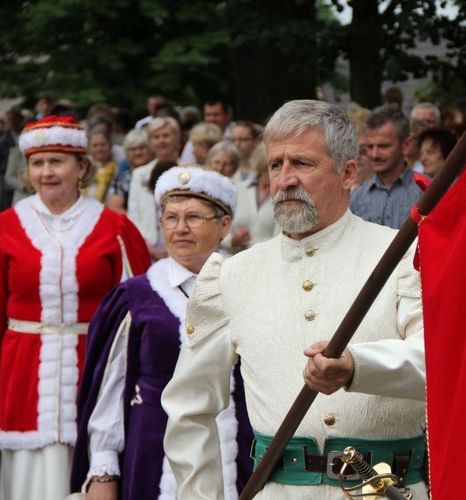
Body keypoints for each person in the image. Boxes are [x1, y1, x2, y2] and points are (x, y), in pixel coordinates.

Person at [162, 100, 427, 499]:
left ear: (348, 173)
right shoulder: (230, 276)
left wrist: (359, 366)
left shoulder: (405, 255)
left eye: (302, 164)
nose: (284, 180)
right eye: (275, 165)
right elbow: (189, 410)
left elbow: (438, 363)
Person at [71, 166, 253, 499]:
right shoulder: (135, 297)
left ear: (224, 225)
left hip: (238, 449)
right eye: (171, 218)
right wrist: (102, 470)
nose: (180, 228)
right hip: (152, 451)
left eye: (194, 217)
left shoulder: (250, 287)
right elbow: (110, 388)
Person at [0, 116, 150, 500]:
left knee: (95, 459)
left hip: (95, 368)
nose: (47, 172)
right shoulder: (4, 227)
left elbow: (139, 311)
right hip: (24, 373)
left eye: (57, 161)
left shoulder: (115, 227)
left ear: (82, 167)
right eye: (37, 162)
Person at [350, 104, 423, 229]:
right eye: (369, 146)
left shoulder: (426, 192)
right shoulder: (357, 198)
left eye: (383, 146)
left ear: (406, 145)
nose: (374, 154)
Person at [128, 117, 180, 260]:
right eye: (156, 137)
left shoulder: (189, 172)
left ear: (176, 138)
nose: (161, 141)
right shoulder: (140, 174)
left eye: (166, 136)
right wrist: (147, 247)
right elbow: (134, 214)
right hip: (148, 248)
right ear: (151, 142)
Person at [223, 142, 279, 252]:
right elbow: (218, 235)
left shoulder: (285, 196)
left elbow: (284, 240)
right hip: (235, 260)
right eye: (267, 170)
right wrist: (233, 240)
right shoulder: (237, 190)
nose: (273, 175)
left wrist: (250, 243)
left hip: (269, 262)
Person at [106, 129, 155, 213]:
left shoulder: (158, 176)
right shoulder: (120, 181)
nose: (138, 152)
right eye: (133, 149)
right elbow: (115, 208)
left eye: (142, 148)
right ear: (126, 153)